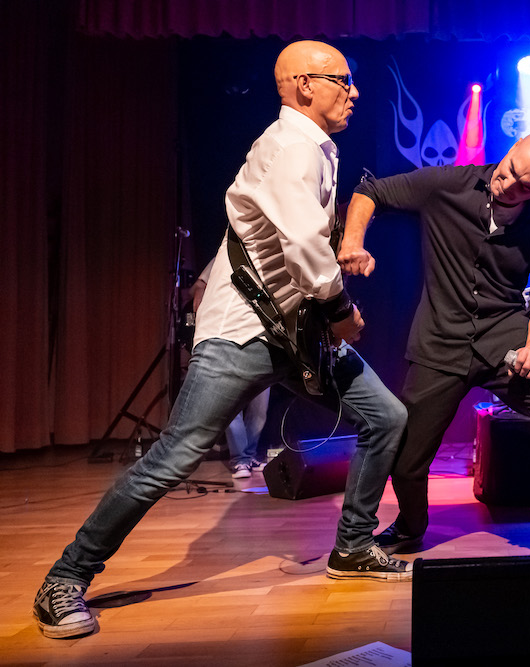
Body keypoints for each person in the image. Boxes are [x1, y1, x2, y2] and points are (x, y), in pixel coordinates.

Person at [33, 40, 410, 641]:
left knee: (385, 416)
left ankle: (353, 546)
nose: (354, 91)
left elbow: (297, 241)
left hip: (293, 330)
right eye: (343, 80)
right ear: (304, 85)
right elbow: (303, 248)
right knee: (174, 457)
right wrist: (340, 310)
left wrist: (336, 269)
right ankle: (64, 578)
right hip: (244, 334)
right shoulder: (291, 147)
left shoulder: (313, 147)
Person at [338, 130, 530, 555]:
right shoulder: (447, 186)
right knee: (406, 455)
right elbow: (370, 191)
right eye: (510, 171)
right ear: (509, 150)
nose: (509, 185)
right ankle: (411, 526)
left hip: (505, 339)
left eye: (526, 185)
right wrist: (352, 242)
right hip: (440, 340)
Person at [190, 257, 272, 478]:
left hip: (263, 340)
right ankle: (240, 460)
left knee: (259, 408)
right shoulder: (226, 254)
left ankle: (250, 455)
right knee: (232, 406)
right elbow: (198, 285)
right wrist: (201, 302)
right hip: (231, 339)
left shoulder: (270, 256)